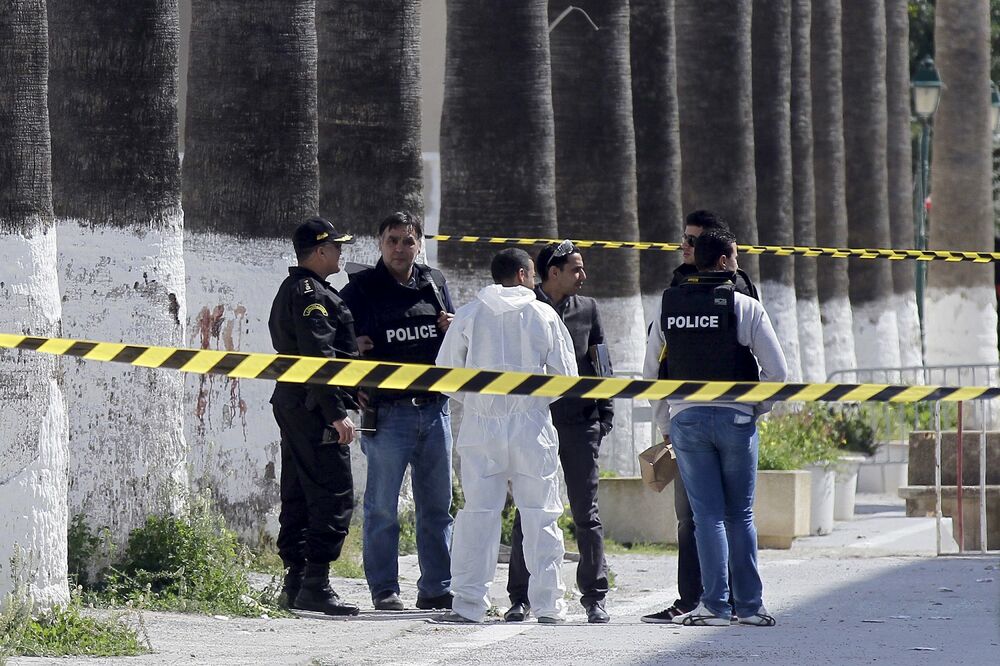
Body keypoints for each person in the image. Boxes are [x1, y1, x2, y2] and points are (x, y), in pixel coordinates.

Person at [642, 229, 787, 627]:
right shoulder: (745, 307)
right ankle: (751, 606)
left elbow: (650, 372)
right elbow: (778, 372)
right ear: (723, 262)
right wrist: (756, 408)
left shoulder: (667, 305)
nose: (738, 264)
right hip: (736, 419)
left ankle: (715, 607)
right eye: (736, 257)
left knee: (707, 517)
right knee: (740, 514)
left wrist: (664, 421)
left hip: (686, 420)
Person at [435, 248, 578, 624]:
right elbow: (565, 374)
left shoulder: (468, 314)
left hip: (481, 426)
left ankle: (468, 605)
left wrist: (481, 403)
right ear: (521, 274)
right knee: (540, 515)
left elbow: (446, 373)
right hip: (532, 426)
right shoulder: (543, 314)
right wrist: (531, 404)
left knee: (478, 515)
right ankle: (549, 606)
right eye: (532, 274)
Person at [339, 211, 455, 611]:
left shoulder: (434, 284)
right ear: (379, 243)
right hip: (389, 414)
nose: (400, 248)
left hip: (435, 410)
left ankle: (437, 588)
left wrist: (451, 328)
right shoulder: (360, 289)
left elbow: (455, 343)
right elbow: (332, 344)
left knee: (437, 508)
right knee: (383, 508)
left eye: (408, 241)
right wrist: (352, 349)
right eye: (392, 240)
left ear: (419, 243)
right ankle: (385, 590)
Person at [505, 240, 613, 624]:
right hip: (534, 425)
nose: (582, 276)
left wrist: (605, 417)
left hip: (580, 425)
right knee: (529, 511)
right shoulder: (524, 308)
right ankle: (519, 596)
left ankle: (594, 596)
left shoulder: (588, 309)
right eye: (576, 269)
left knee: (587, 513)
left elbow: (601, 363)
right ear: (553, 272)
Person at [268, 216, 361, 616]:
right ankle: (316, 583)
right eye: (337, 247)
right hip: (313, 406)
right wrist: (336, 413)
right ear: (320, 251)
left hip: (296, 403)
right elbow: (318, 357)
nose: (341, 253)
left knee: (301, 490)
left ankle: (296, 581)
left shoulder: (299, 288)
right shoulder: (310, 293)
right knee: (334, 491)